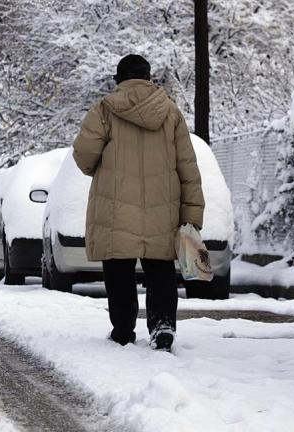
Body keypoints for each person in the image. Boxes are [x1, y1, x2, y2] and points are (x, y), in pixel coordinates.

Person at [72, 54, 205, 350]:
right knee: (160, 269)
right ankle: (162, 325)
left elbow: (83, 157)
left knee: (118, 270)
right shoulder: (170, 112)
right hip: (163, 208)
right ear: (149, 78)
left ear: (119, 79)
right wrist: (193, 214)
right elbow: (188, 168)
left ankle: (122, 329)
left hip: (115, 207)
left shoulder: (105, 110)